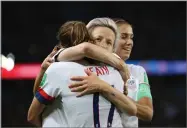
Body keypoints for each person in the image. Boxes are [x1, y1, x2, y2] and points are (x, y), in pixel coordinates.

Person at [28, 19, 137, 127]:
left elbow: (132, 110)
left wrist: (103, 86)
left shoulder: (116, 72)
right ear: (87, 40)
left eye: (109, 42)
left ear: (113, 50)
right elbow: (85, 49)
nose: (103, 45)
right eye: (98, 39)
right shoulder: (61, 66)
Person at [55, 18, 153, 127]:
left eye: (131, 37)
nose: (129, 42)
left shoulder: (136, 72)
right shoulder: (82, 69)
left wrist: (105, 88)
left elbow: (147, 113)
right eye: (124, 36)